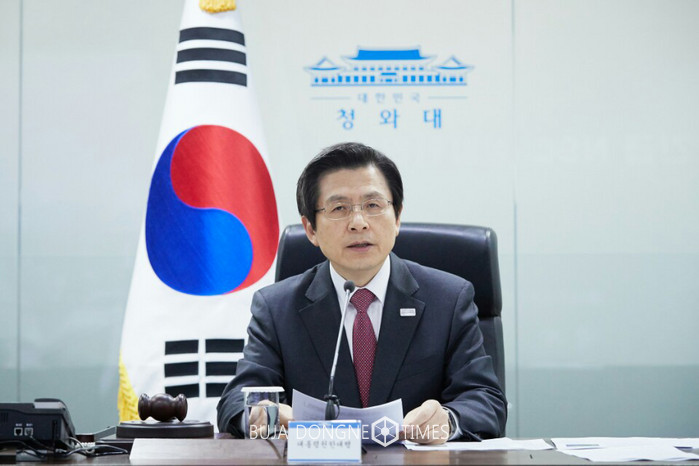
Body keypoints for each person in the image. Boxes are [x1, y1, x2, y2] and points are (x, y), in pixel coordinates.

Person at [217, 142, 507, 443]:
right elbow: (235, 402)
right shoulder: (277, 307)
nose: (358, 223)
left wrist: (447, 421)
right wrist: (265, 416)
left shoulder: (448, 299)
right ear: (311, 229)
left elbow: (485, 400)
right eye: (339, 208)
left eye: (373, 206)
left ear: (397, 217)